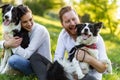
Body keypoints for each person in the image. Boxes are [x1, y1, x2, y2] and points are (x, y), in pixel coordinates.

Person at [54, 6, 112, 80]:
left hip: (90, 77)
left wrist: (87, 58)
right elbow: (57, 59)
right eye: (67, 21)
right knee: (38, 59)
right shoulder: (63, 35)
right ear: (63, 24)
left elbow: (103, 69)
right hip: (72, 74)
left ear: (78, 18)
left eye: (74, 19)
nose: (72, 23)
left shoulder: (95, 38)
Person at [3, 4, 52, 80]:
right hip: (30, 63)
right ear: (19, 23)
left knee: (13, 60)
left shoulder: (40, 30)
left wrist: (12, 44)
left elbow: (26, 55)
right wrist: (6, 43)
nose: (29, 24)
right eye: (25, 22)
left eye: (31, 19)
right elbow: (5, 42)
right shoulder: (22, 31)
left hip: (43, 67)